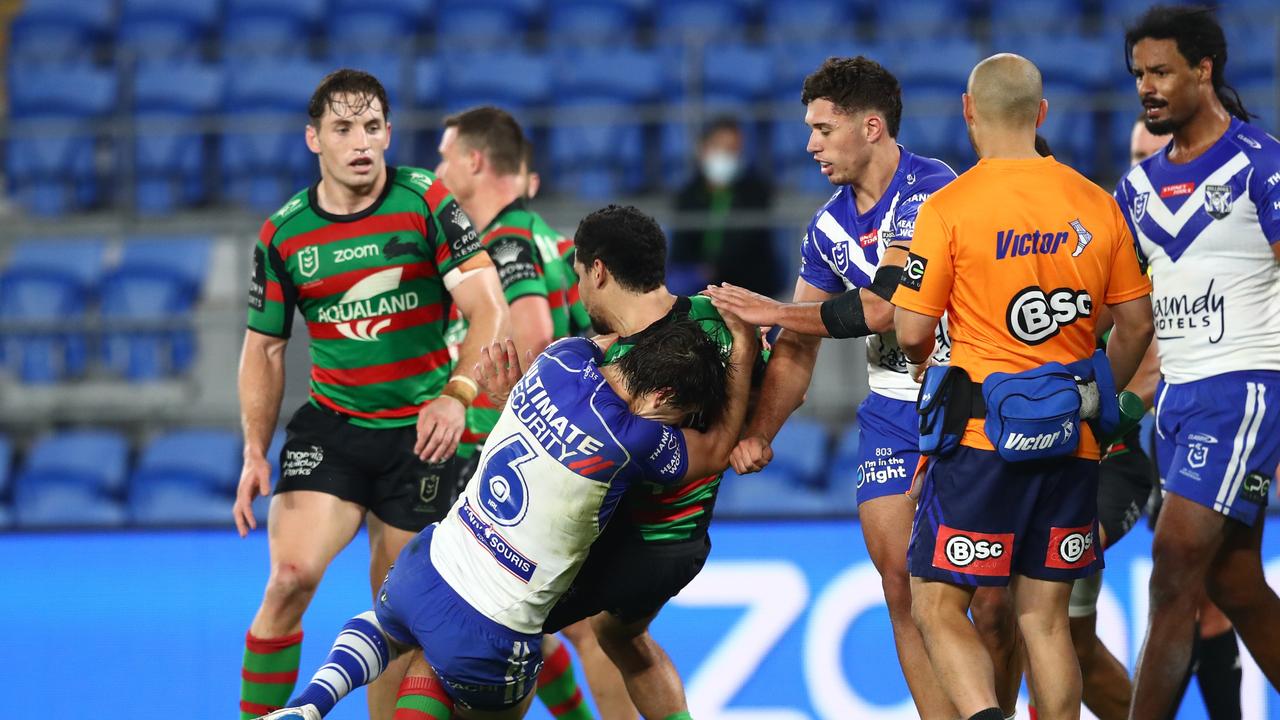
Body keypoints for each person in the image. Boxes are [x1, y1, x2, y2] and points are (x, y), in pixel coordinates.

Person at [703, 56, 1025, 719]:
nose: (810, 144)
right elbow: (797, 347)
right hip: (889, 412)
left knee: (991, 603)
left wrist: (771, 311)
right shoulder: (826, 227)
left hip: (969, 404)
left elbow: (885, 307)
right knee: (902, 586)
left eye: (823, 129)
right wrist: (762, 431)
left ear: (870, 127)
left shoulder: (935, 191)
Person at [258, 310, 759, 720]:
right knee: (467, 675)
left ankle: (308, 704)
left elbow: (606, 341)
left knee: (392, 627)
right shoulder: (637, 440)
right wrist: (742, 345)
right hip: (494, 630)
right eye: (677, 411)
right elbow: (715, 451)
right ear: (664, 397)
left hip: (427, 565)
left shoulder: (562, 358)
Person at [232, 69, 510, 720]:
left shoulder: (426, 202)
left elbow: (487, 306)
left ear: (388, 133)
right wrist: (252, 450)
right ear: (313, 139)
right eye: (343, 128)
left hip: (423, 435)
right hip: (334, 428)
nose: (361, 142)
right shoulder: (285, 235)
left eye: (373, 127)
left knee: (399, 614)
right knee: (290, 579)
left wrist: (457, 393)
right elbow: (264, 348)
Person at [893, 53, 1153, 720]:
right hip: (1071, 440)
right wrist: (1096, 398)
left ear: (967, 110)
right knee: (1045, 618)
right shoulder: (1097, 203)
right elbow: (1135, 324)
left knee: (935, 600)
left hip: (982, 442)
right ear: (1042, 114)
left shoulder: (948, 208)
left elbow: (913, 332)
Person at [526, 204, 766, 720]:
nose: (578, 293)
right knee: (619, 636)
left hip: (627, 544)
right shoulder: (718, 320)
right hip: (684, 546)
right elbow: (782, 368)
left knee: (500, 624)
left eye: (578, 276)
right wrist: (761, 432)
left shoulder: (614, 369)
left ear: (598, 271)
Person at [1114, 6, 1280, 718]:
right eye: (1139, 76)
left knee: (1173, 569)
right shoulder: (1136, 191)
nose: (1147, 87)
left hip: (1243, 389)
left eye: (1161, 72)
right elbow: (1127, 320)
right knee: (1236, 582)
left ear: (1204, 69)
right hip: (1177, 401)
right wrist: (1100, 399)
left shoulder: (1262, 166)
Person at [433, 105, 599, 720]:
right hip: (562, 447)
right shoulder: (540, 233)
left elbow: (528, 338)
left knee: (585, 629)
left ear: (475, 163)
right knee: (538, 623)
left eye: (445, 157)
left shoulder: (503, 240)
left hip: (524, 453)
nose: (436, 171)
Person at [670, 116, 779, 296]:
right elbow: (680, 250)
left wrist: (714, 270)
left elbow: (751, 250)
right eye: (721, 148)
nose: (727, 156)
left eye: (733, 150)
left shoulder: (755, 193)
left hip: (747, 285)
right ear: (703, 149)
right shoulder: (688, 193)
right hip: (696, 284)